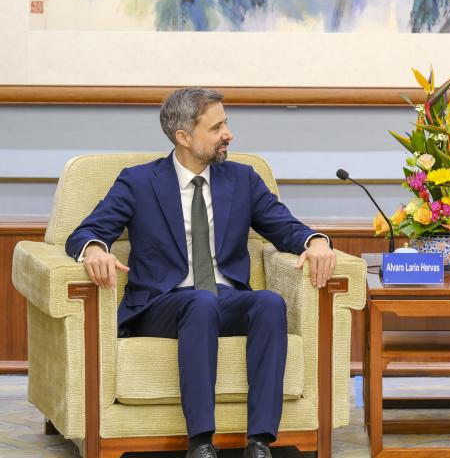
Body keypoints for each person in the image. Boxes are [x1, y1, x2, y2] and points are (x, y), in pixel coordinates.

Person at [66, 88, 337, 458]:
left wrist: (315, 242)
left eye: (226, 123)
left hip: (223, 298)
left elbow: (283, 226)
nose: (229, 133)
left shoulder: (242, 179)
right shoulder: (139, 182)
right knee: (199, 303)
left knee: (269, 304)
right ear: (183, 137)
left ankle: (260, 442)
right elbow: (85, 232)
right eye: (217, 127)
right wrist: (95, 249)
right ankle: (201, 443)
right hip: (162, 304)